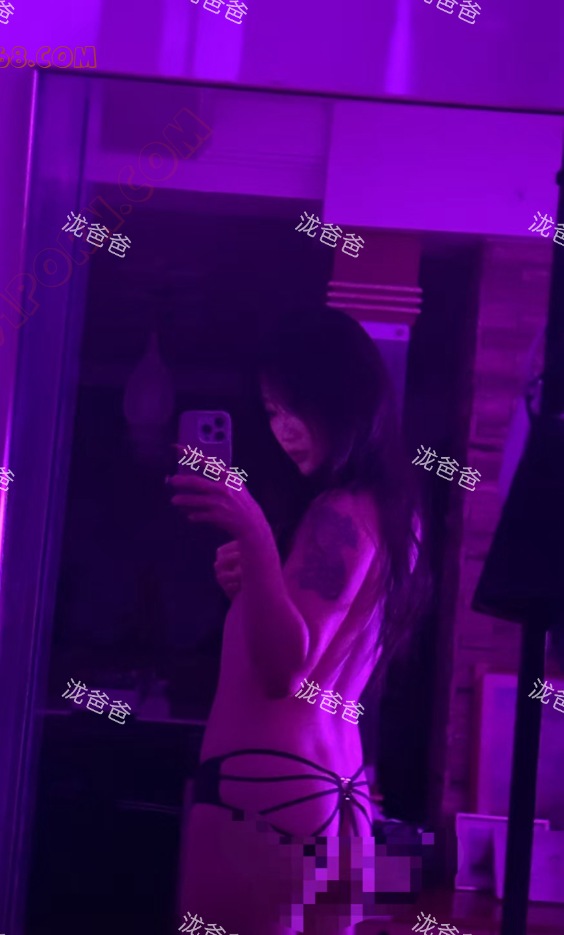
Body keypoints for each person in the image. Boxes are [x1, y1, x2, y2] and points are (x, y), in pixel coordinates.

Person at [170, 309, 426, 935]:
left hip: (262, 795)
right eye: (271, 411)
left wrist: (257, 538)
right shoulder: (398, 516)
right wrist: (257, 582)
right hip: (343, 796)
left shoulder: (336, 512)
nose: (283, 429)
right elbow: (319, 650)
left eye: (295, 408)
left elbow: (284, 671)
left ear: (342, 399)